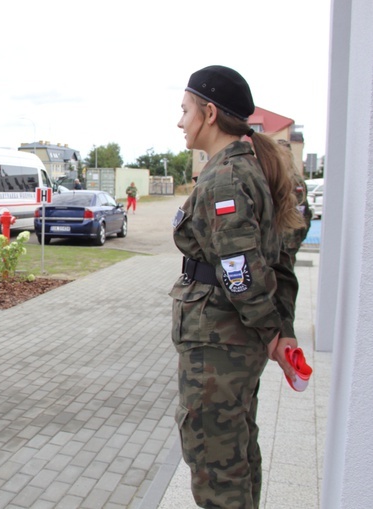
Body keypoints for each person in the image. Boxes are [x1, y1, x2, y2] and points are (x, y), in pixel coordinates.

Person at [171, 66, 305, 508]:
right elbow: (277, 259)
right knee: (237, 452)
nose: (180, 121)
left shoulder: (226, 177)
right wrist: (277, 328)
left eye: (185, 110)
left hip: (220, 344)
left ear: (209, 113)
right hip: (230, 342)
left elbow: (239, 269)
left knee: (215, 461)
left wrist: (270, 331)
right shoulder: (244, 167)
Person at [277, 139, 313, 267]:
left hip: (288, 243)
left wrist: (296, 241)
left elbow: (302, 215)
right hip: (276, 243)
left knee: (285, 280)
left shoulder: (295, 182)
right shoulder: (272, 177)